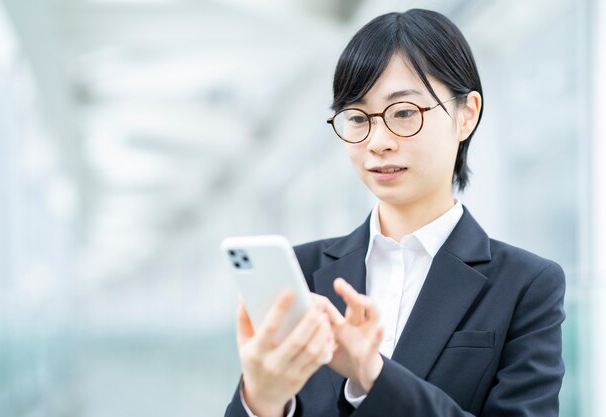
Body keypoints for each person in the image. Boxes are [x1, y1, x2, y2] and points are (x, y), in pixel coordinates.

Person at [225, 8, 565, 417]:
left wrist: (373, 376)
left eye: (403, 112)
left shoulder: (525, 285)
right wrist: (261, 400)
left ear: (466, 115)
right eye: (357, 117)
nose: (378, 141)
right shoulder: (302, 272)